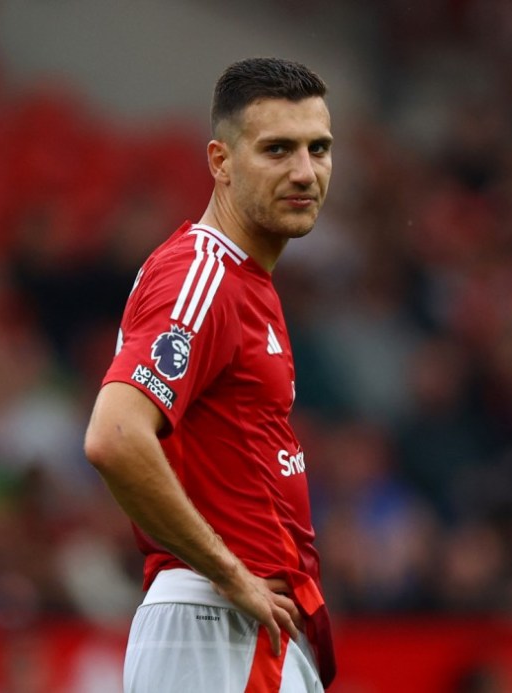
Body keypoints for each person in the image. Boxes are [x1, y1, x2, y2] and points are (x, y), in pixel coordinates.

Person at [83, 57, 336, 692]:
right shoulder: (203, 276)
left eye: (318, 148)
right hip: (210, 621)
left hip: (246, 619)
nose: (305, 172)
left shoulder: (247, 282)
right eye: (277, 149)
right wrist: (230, 572)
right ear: (221, 162)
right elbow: (115, 436)